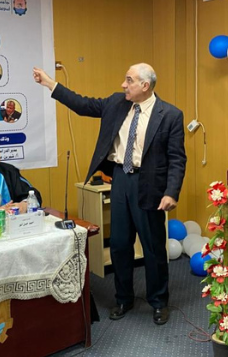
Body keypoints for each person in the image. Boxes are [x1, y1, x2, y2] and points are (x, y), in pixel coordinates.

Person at [33, 63, 187, 325]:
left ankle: (159, 301)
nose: (123, 85)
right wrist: (50, 83)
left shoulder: (170, 115)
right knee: (119, 244)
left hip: (150, 184)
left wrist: (171, 192)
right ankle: (124, 298)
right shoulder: (117, 102)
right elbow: (83, 105)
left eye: (129, 80)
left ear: (145, 86)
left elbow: (176, 158)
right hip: (120, 179)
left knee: (153, 247)